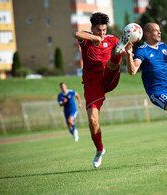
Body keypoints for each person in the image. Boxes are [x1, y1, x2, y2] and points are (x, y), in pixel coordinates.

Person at [123, 22, 167, 161]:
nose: (159, 33)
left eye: (159, 30)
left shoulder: (164, 47)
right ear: (147, 34)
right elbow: (132, 71)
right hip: (155, 91)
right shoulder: (142, 50)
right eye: (156, 31)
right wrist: (128, 55)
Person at [74, 12, 123, 168]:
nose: (102, 33)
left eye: (104, 30)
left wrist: (128, 51)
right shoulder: (87, 39)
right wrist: (94, 38)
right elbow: (77, 34)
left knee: (113, 61)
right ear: (92, 28)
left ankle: (119, 52)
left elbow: (129, 54)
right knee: (93, 121)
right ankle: (100, 149)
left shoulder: (112, 39)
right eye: (98, 30)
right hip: (93, 82)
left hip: (109, 77)